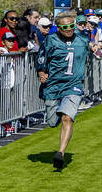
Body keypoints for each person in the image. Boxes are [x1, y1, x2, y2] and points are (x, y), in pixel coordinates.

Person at [37, 12, 90, 169]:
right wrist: (41, 71)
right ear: (58, 28)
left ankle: (60, 152)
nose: (69, 29)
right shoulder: (50, 40)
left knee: (67, 118)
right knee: (53, 122)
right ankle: (56, 115)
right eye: (65, 27)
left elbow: (91, 51)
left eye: (71, 26)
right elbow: (41, 58)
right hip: (53, 85)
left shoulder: (83, 40)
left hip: (73, 84)